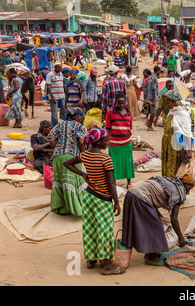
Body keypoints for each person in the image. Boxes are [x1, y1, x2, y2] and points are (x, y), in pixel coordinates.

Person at [63, 128, 124, 276]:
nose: (107, 142)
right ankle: (108, 265)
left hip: (89, 196)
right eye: (106, 140)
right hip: (102, 199)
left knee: (90, 228)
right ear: (98, 142)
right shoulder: (105, 159)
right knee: (105, 231)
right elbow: (111, 183)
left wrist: (83, 173)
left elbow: (67, 163)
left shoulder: (85, 155)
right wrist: (116, 202)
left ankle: (91, 260)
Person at [122, 173, 194, 266]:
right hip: (140, 197)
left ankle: (150, 252)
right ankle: (152, 257)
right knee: (156, 228)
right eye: (189, 187)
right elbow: (174, 219)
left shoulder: (171, 182)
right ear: (184, 184)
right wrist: (181, 237)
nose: (189, 190)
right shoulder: (179, 192)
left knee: (154, 222)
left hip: (131, 193)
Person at [48, 108, 87, 216]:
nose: (82, 118)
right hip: (71, 158)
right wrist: (82, 155)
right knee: (72, 183)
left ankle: (60, 208)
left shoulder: (59, 125)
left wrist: (56, 149)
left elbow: (51, 140)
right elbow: (81, 141)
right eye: (81, 115)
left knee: (59, 182)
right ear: (77, 116)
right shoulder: (79, 127)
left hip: (57, 157)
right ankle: (76, 209)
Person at [105, 93, 135, 189]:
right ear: (115, 102)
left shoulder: (129, 112)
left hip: (127, 143)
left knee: (128, 163)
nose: (121, 105)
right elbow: (108, 128)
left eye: (123, 103)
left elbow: (129, 128)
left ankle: (129, 182)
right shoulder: (110, 112)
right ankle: (114, 183)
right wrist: (106, 140)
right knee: (113, 164)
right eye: (119, 103)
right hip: (114, 144)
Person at [161, 90, 193, 178]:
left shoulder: (183, 114)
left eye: (168, 103)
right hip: (167, 144)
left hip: (176, 146)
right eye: (166, 103)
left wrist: (189, 151)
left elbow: (188, 133)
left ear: (175, 102)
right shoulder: (172, 112)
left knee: (174, 169)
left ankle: (174, 189)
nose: (167, 105)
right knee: (167, 167)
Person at [46, 62, 67, 127]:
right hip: (54, 96)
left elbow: (61, 84)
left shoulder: (61, 74)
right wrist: (52, 97)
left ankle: (64, 124)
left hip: (62, 96)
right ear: (55, 67)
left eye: (61, 68)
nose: (60, 69)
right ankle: (55, 126)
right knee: (54, 113)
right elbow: (48, 86)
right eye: (59, 68)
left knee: (64, 110)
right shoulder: (50, 75)